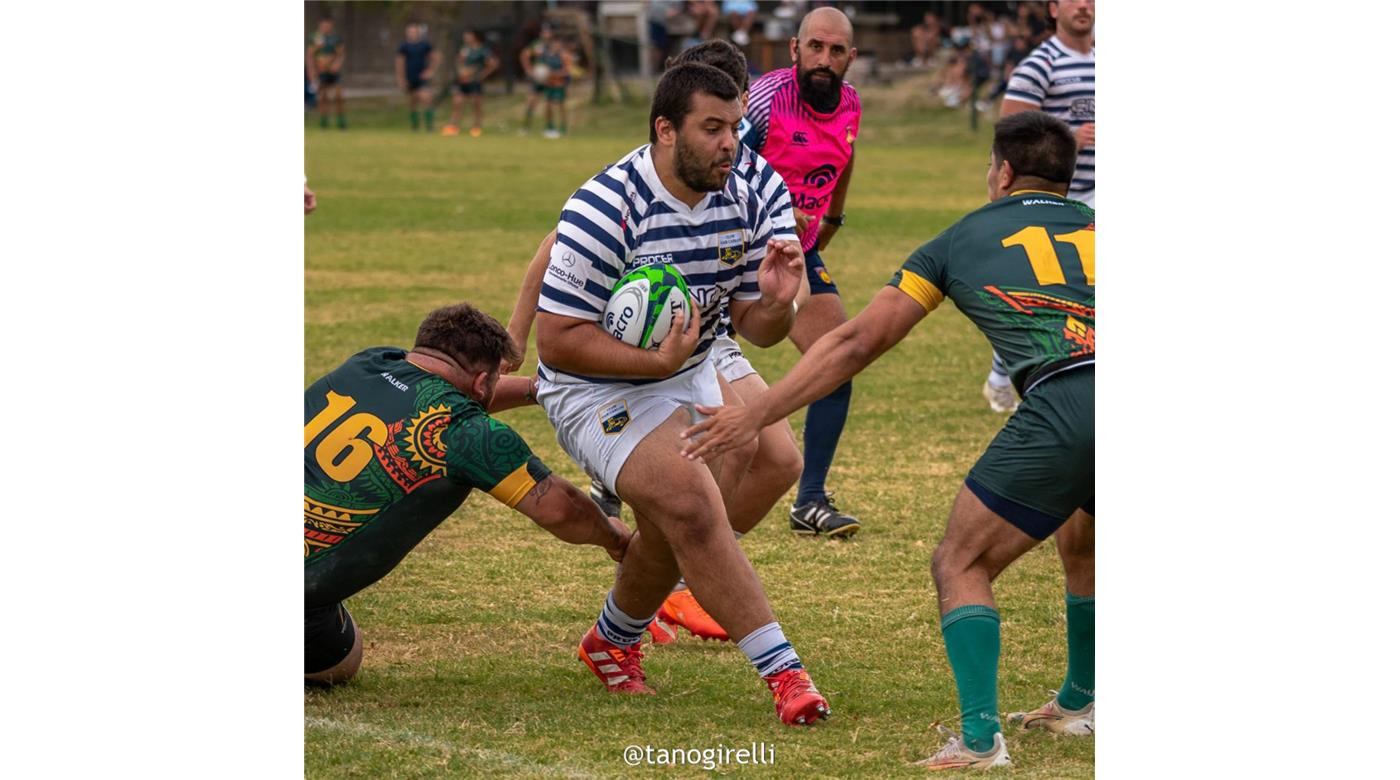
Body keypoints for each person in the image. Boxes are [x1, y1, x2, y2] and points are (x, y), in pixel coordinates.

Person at [681, 111, 1095, 769]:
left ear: (1002, 172)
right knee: (1083, 533)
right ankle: (1080, 701)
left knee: (961, 563)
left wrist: (756, 414)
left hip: (1068, 402)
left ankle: (981, 742)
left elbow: (856, 340)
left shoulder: (962, 238)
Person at [533, 62, 829, 726]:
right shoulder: (606, 205)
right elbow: (556, 340)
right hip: (593, 387)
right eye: (712, 128)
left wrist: (779, 305)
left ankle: (611, 641)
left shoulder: (748, 195)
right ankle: (786, 675)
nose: (731, 143)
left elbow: (757, 328)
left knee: (696, 507)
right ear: (665, 130)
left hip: (686, 366)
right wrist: (651, 359)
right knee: (693, 502)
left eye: (735, 127)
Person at [305, 302, 631, 686]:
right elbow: (560, 510)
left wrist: (537, 389)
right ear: (481, 383)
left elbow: (450, 396)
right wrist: (614, 538)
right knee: (343, 657)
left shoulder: (371, 362)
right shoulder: (468, 434)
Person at [742, 7, 864, 537]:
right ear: (794, 49)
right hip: (735, 245)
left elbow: (844, 160)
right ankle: (612, 477)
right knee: (678, 359)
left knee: (836, 361)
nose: (824, 59)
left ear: (850, 58)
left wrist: (828, 224)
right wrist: (774, 209)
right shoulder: (766, 101)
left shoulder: (852, 104)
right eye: (815, 47)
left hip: (795, 252)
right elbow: (720, 165)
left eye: (836, 51)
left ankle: (809, 500)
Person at [984, 0, 1094, 413]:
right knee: (1047, 294)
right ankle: (1006, 373)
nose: (1084, 6)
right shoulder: (1040, 63)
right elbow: (1010, 127)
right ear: (1053, 9)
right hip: (1061, 198)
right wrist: (1067, 138)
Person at [443, 29, 499, 137]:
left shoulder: (483, 50)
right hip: (463, 81)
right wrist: (461, 71)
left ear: (475, 37)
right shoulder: (465, 49)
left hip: (475, 81)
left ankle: (476, 128)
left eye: (468, 36)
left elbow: (493, 64)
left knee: (476, 104)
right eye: (465, 36)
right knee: (457, 102)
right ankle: (453, 127)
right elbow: (459, 61)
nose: (466, 38)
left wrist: (481, 75)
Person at [396, 23, 440, 131]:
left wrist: (430, 71)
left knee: (427, 99)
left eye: (414, 32)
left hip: (421, 78)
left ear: (418, 33)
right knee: (412, 102)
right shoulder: (404, 47)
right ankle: (415, 126)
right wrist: (401, 79)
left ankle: (430, 126)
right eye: (409, 32)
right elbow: (399, 63)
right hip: (409, 77)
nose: (412, 34)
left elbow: (437, 57)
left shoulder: (424, 45)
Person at [307, 18, 347, 130]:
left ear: (331, 26)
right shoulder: (315, 38)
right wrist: (311, 71)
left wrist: (337, 64)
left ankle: (341, 121)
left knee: (339, 96)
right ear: (320, 26)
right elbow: (310, 56)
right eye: (323, 25)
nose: (325, 28)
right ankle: (324, 122)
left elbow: (341, 54)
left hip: (334, 72)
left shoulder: (336, 39)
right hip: (321, 72)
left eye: (328, 25)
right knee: (323, 97)